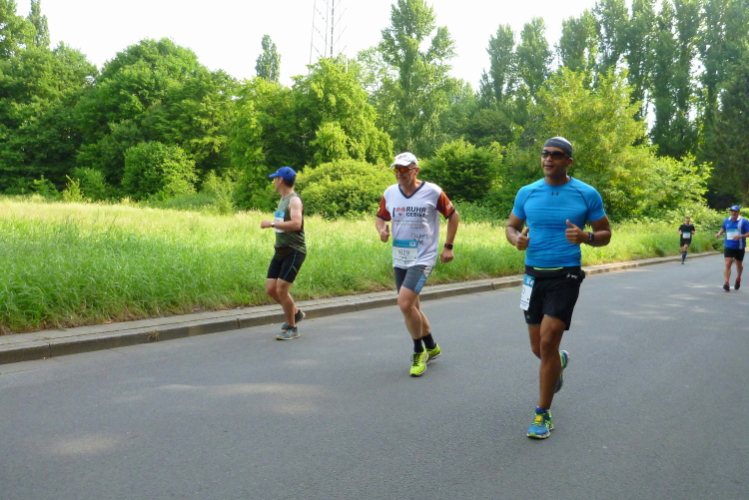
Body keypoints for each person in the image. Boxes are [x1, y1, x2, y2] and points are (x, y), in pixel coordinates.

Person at [505, 137, 611, 439]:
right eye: (545, 154)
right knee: (538, 348)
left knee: (548, 342)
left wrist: (586, 237)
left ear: (568, 161)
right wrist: (516, 240)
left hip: (566, 275)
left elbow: (605, 233)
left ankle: (542, 414)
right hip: (532, 276)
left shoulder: (586, 193)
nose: (548, 159)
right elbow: (511, 226)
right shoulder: (527, 192)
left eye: (556, 155)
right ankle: (558, 362)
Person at [376, 152, 460, 377]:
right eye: (396, 169)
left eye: (404, 169)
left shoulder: (432, 191)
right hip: (401, 256)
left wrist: (448, 246)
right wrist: (381, 230)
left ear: (416, 171)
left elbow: (453, 216)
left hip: (424, 257)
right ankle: (431, 346)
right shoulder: (390, 192)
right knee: (413, 306)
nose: (399, 173)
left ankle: (418, 351)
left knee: (404, 304)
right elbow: (380, 216)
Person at [261, 166, 307, 340]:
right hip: (280, 250)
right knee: (271, 289)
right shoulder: (283, 199)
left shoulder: (294, 200)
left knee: (281, 289)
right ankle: (295, 313)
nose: (274, 182)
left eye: (275, 178)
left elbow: (296, 224)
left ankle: (292, 327)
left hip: (294, 251)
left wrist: (271, 224)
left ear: (280, 180)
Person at [714, 205, 749, 292]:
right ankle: (726, 282)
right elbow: (723, 228)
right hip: (728, 245)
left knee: (739, 264)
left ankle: (738, 278)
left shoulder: (744, 221)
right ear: (730, 212)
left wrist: (741, 236)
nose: (733, 213)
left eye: (735, 211)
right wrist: (719, 233)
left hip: (739, 246)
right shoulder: (727, 220)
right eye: (732, 211)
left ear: (739, 212)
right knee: (728, 263)